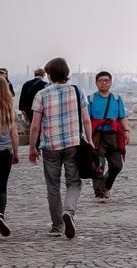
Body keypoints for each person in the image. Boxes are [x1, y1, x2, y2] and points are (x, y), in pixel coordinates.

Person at [28, 57, 94, 238]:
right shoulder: (77, 91)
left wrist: (32, 148)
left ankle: (57, 226)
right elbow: (86, 119)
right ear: (67, 73)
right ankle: (69, 212)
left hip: (50, 146)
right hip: (73, 144)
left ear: (48, 75)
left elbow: (35, 126)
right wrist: (89, 139)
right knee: (74, 182)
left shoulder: (42, 94)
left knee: (53, 186)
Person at [87, 71, 129, 202]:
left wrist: (127, 130)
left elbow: (122, 116)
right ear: (96, 83)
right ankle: (99, 194)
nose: (104, 83)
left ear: (111, 82)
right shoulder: (91, 99)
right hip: (97, 136)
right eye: (101, 80)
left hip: (113, 136)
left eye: (106, 80)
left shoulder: (116, 98)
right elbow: (87, 120)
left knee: (117, 165)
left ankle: (106, 186)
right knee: (98, 165)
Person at [0, 80, 17, 237]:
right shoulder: (8, 107)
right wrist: (16, 153)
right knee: (2, 186)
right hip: (4, 152)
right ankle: (0, 214)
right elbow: (13, 134)